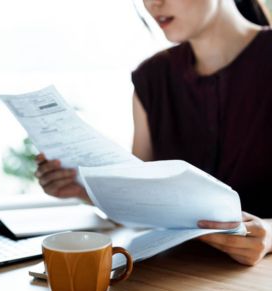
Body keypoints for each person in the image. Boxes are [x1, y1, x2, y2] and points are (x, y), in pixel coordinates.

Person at [34, 0, 272, 266]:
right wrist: (83, 190)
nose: (153, 4)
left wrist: (269, 235)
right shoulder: (151, 79)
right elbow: (144, 202)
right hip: (171, 275)